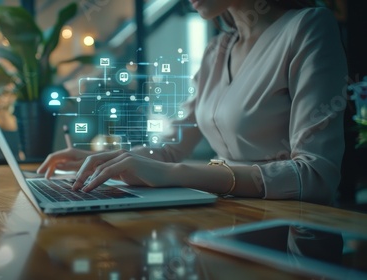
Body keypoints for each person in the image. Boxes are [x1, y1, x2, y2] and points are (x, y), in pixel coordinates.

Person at [37, 0, 347, 205]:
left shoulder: (308, 27)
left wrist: (176, 174)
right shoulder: (218, 49)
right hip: (224, 217)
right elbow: (172, 147)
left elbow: (315, 175)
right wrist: (107, 159)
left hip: (293, 228)